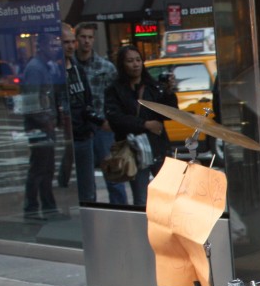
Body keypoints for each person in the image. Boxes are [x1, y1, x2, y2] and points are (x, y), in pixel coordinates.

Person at [104, 45, 178, 207]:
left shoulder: (153, 87)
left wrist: (169, 93)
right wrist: (145, 125)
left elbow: (169, 114)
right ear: (122, 64)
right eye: (130, 61)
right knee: (141, 199)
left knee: (168, 196)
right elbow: (115, 118)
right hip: (134, 150)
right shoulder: (114, 90)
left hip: (158, 147)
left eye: (138, 60)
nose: (135, 64)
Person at [74, 22, 127, 205]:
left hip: (103, 126)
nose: (87, 41)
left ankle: (120, 212)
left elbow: (117, 96)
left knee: (113, 175)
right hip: (80, 127)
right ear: (76, 39)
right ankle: (90, 210)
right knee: (85, 178)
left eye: (90, 37)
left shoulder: (105, 67)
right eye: (83, 37)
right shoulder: (70, 67)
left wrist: (111, 119)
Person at [21, 30, 62, 220]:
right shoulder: (36, 68)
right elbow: (31, 102)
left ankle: (48, 207)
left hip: (45, 125)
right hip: (39, 127)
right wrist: (46, 122)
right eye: (52, 45)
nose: (55, 49)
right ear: (42, 46)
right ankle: (32, 208)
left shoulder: (44, 66)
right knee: (39, 169)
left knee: (46, 169)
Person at [59, 23, 96, 204]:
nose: (71, 46)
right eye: (66, 42)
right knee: (66, 178)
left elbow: (87, 99)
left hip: (83, 133)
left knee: (88, 187)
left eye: (72, 41)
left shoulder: (76, 69)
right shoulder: (54, 72)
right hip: (66, 135)